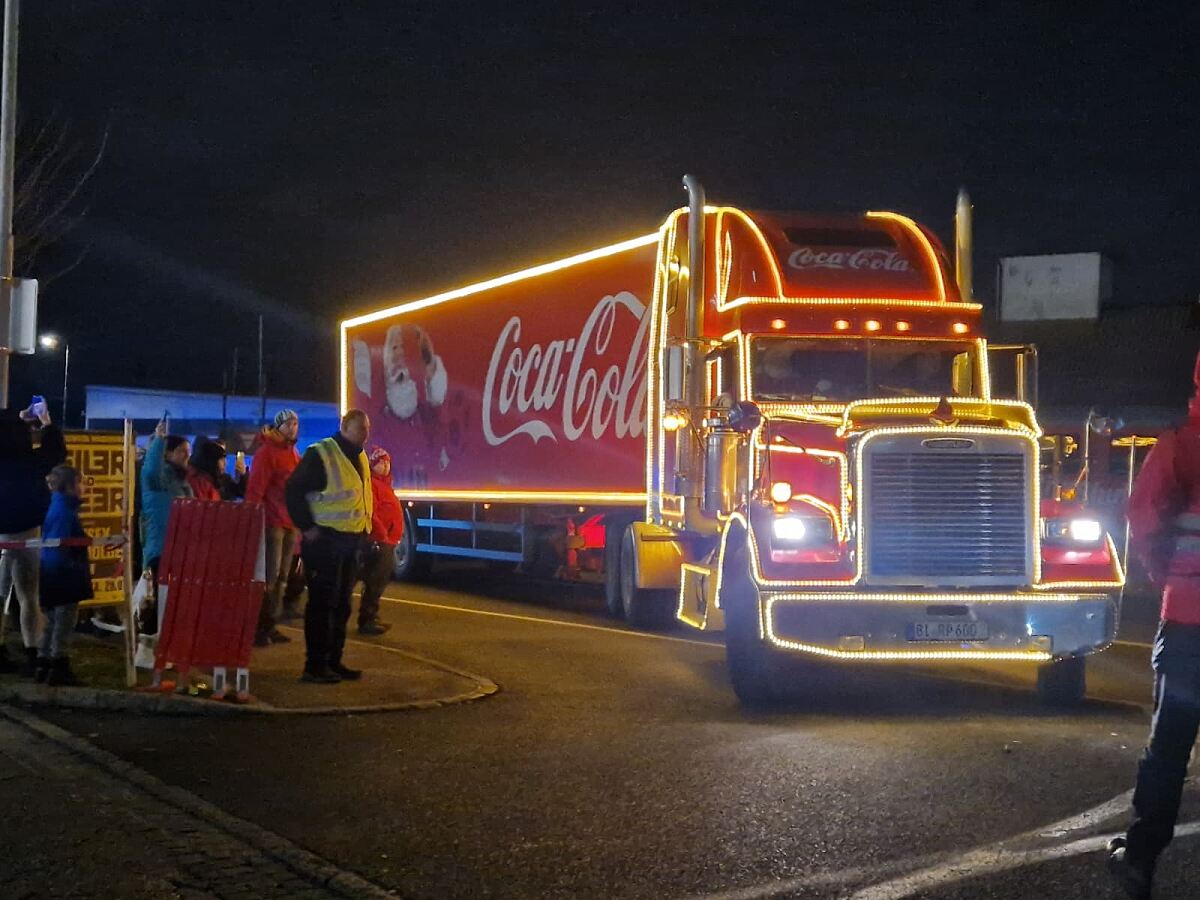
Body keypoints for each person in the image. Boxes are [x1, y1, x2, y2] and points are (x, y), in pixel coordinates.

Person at [1107, 350, 1200, 900]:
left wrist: (1168, 575)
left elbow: (1144, 519)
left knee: (1169, 748)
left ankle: (1139, 860)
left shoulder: (1181, 448)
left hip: (1190, 619)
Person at [285, 409, 372, 683]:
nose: (365, 436)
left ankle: (334, 661)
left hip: (351, 540)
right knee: (323, 604)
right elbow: (293, 489)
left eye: (367, 430)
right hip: (326, 540)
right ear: (345, 426)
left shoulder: (360, 456)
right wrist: (307, 527)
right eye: (360, 430)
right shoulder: (321, 453)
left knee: (342, 604)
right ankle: (315, 666)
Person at [0, 398, 67, 675]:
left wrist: (17, 417)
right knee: (29, 595)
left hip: (2, 531)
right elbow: (56, 451)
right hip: (27, 530)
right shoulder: (31, 462)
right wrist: (46, 422)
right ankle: (33, 651)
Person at [245, 409, 302, 645]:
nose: (293, 428)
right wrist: (253, 518)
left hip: (289, 521)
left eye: (296, 424)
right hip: (272, 522)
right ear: (279, 426)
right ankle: (260, 626)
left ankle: (271, 623)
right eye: (289, 424)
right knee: (270, 575)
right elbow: (256, 488)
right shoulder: (267, 453)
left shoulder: (293, 453)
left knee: (282, 576)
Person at [35, 466, 93, 686]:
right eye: (80, 482)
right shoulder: (65, 511)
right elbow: (63, 542)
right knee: (63, 621)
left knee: (52, 622)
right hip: (64, 573)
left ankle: (44, 662)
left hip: (52, 571)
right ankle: (59, 665)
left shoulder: (56, 507)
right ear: (70, 486)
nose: (83, 487)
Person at [139, 421, 193, 631]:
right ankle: (153, 642)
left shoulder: (183, 483)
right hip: (162, 547)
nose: (186, 456)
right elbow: (150, 470)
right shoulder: (158, 479)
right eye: (181, 451)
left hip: (181, 547)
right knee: (163, 599)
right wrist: (159, 440)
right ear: (167, 454)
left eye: (188, 451)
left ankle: (160, 640)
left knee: (174, 599)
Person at [356, 446, 401, 636]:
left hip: (388, 540)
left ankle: (371, 616)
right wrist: (380, 532)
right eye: (381, 462)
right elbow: (371, 511)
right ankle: (367, 618)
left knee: (380, 579)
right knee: (374, 579)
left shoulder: (386, 486)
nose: (385, 466)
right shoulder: (372, 485)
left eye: (387, 462)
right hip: (378, 540)